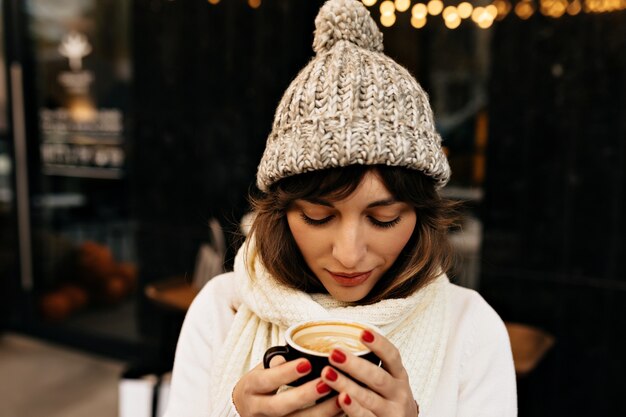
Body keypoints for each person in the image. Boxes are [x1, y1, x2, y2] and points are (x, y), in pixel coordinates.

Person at [164, 0, 517, 416]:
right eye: (318, 216)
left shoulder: (471, 329)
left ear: (421, 214)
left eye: (384, 219)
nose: (349, 254)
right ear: (280, 212)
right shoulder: (221, 310)